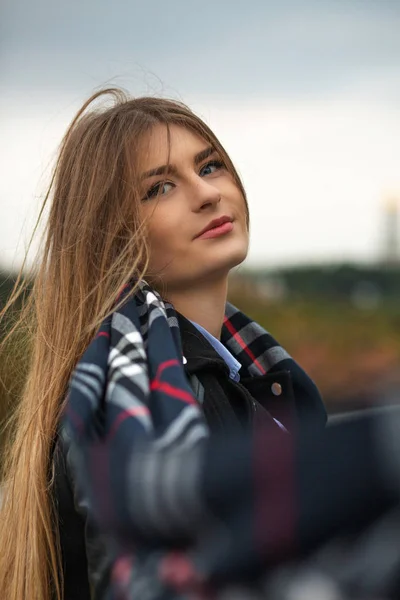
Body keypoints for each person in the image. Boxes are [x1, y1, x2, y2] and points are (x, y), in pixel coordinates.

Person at [2, 87, 393, 600]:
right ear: (111, 235)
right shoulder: (132, 409)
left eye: (209, 167)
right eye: (160, 187)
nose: (207, 194)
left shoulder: (258, 374)